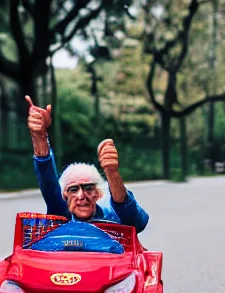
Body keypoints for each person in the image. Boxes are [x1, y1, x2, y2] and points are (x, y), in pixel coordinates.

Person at [25, 96, 149, 233]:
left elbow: (136, 221)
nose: (81, 196)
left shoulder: (111, 216)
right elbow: (48, 183)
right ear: (64, 196)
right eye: (73, 189)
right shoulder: (60, 217)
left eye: (88, 188)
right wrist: (39, 137)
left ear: (98, 194)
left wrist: (112, 172)